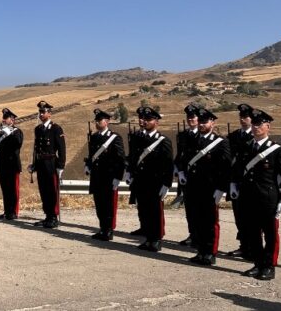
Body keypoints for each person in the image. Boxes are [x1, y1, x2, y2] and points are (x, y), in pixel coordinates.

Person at [230, 108, 281, 280]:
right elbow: (238, 169)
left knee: (270, 234)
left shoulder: (278, 150)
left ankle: (269, 266)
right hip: (248, 197)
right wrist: (234, 184)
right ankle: (258, 264)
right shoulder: (247, 147)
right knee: (253, 233)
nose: (255, 127)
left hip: (267, 198)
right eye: (254, 124)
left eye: (259, 125)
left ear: (268, 127)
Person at [177, 108, 230, 266]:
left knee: (210, 222)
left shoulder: (220, 142)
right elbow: (184, 158)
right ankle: (200, 251)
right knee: (197, 220)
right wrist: (181, 172)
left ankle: (210, 253)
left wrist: (221, 188)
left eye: (204, 122)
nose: (201, 124)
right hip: (193, 186)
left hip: (210, 188)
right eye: (199, 121)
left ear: (212, 123)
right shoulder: (191, 140)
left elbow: (225, 167)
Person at [127, 106, 173, 252]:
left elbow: (168, 164)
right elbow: (134, 158)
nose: (145, 122)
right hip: (141, 181)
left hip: (155, 182)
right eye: (144, 119)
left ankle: (156, 240)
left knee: (155, 212)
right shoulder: (139, 138)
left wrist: (166, 184)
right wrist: (130, 173)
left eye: (149, 119)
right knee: (145, 210)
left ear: (156, 122)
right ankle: (148, 238)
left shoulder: (163, 141)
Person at [85, 109, 126, 241]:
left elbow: (120, 159)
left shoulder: (114, 137)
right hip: (97, 176)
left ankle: (108, 230)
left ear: (107, 121)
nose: (97, 123)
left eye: (99, 120)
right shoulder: (95, 137)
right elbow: (92, 155)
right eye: (96, 120)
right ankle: (102, 228)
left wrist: (118, 177)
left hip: (109, 177)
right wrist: (88, 165)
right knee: (99, 204)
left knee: (108, 205)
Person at [29, 101, 66, 228]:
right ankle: (47, 216)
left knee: (52, 190)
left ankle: (54, 217)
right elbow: (36, 149)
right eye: (39, 112)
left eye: (43, 112)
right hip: (41, 163)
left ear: (49, 114)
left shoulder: (56, 128)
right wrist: (34, 164)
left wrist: (60, 166)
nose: (40, 114)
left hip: (51, 163)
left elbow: (61, 149)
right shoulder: (38, 129)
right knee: (43, 190)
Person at [226, 103, 254, 259]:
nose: (243, 120)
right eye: (241, 117)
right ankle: (243, 246)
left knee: (252, 218)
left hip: (251, 183)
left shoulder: (255, 137)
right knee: (239, 217)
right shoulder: (234, 136)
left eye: (246, 117)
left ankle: (253, 248)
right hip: (236, 182)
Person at [174, 104, 200, 247]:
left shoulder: (202, 135)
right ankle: (192, 234)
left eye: (193, 117)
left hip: (200, 178)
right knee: (189, 209)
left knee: (200, 209)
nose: (191, 120)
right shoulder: (182, 135)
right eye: (188, 117)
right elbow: (180, 156)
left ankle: (200, 236)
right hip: (186, 177)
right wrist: (179, 170)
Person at [0, 108, 23, 221]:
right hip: (2, 165)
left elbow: (17, 144)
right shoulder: (0, 132)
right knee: (5, 190)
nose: (4, 120)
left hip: (12, 165)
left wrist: (9, 134)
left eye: (6, 118)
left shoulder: (16, 132)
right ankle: (7, 211)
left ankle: (14, 212)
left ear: (12, 120)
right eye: (3, 118)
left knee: (13, 190)